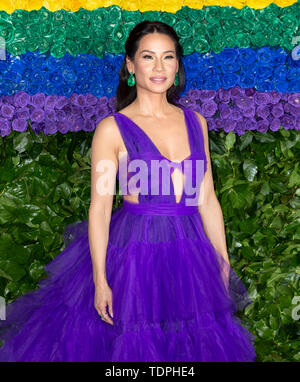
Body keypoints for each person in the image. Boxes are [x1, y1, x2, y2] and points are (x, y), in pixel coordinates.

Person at [0, 21, 256, 362]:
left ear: (178, 65)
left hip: (191, 254)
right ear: (130, 65)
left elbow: (208, 199)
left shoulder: (196, 122)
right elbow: (100, 208)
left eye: (168, 57)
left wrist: (222, 264)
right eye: (148, 57)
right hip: (136, 253)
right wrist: (100, 279)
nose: (159, 67)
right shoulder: (112, 129)